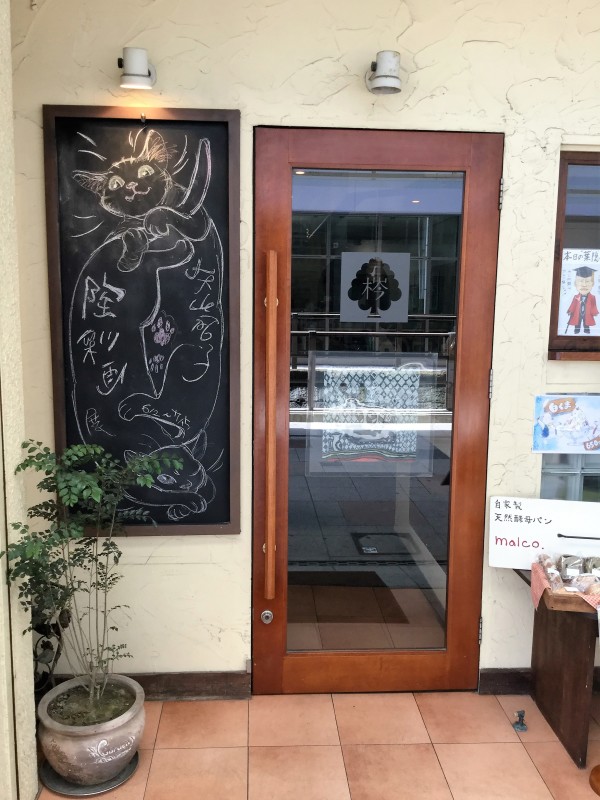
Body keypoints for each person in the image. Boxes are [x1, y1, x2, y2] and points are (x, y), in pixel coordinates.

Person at [565, 266, 599, 334]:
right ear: (575, 283)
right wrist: (570, 311)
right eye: (580, 281)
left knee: (586, 322)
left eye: (587, 281)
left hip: (587, 313)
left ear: (592, 284)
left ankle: (587, 330)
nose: (584, 285)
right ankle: (576, 330)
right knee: (577, 322)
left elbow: (593, 306)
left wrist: (594, 312)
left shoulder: (592, 297)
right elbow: (573, 305)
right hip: (578, 313)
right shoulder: (576, 297)